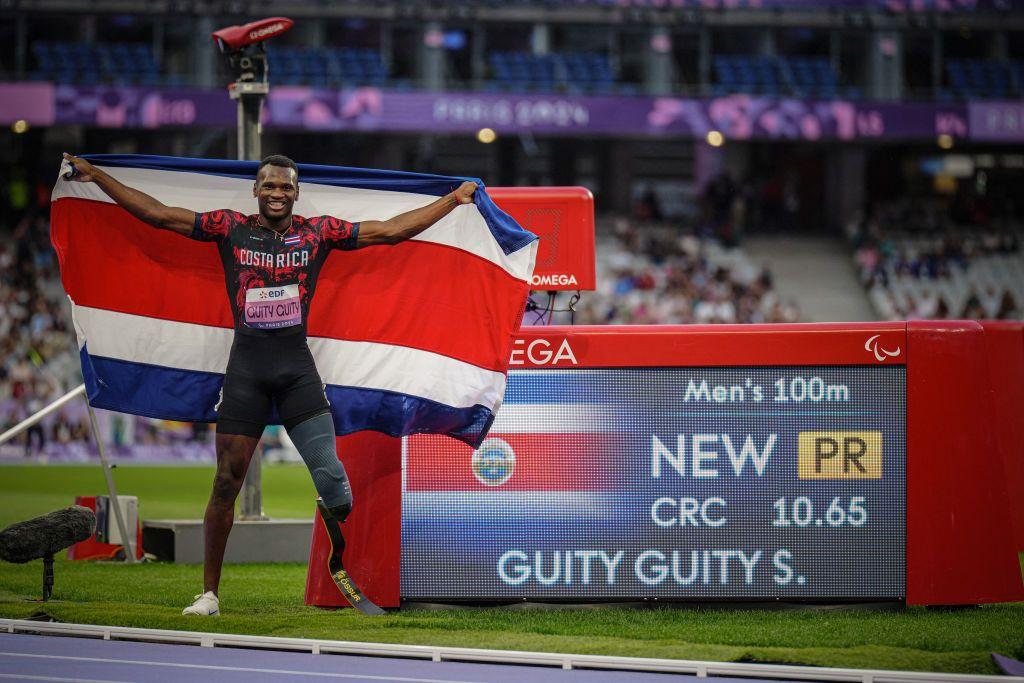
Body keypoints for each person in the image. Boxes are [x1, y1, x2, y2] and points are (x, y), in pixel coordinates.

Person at [62, 152, 477, 616]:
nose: (277, 193)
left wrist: (453, 201)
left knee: (335, 483)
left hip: (296, 369)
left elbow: (392, 230)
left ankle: (336, 539)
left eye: (285, 187)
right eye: (269, 186)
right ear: (255, 191)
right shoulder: (229, 227)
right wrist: (97, 176)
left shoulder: (319, 232)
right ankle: (209, 595)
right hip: (247, 372)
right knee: (225, 482)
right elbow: (158, 215)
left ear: (297, 193)